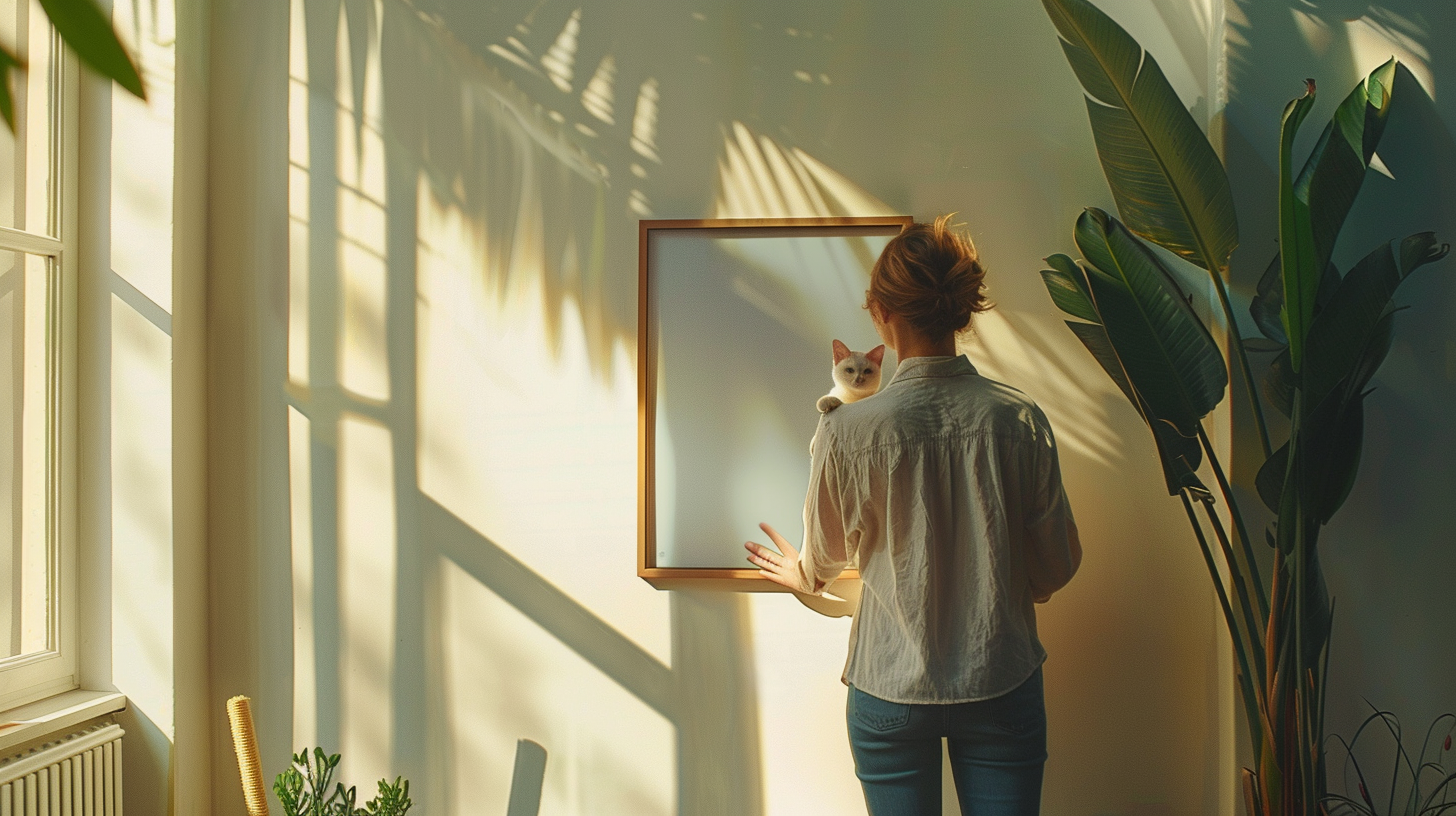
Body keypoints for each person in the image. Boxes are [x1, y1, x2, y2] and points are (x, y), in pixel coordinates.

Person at [745, 215, 1082, 815]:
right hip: (1000, 675)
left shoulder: (844, 431)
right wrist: (1000, 582)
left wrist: (802, 573)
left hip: (888, 685)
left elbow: (821, 563)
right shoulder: (1019, 420)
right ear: (960, 310)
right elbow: (1057, 566)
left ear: (881, 313)